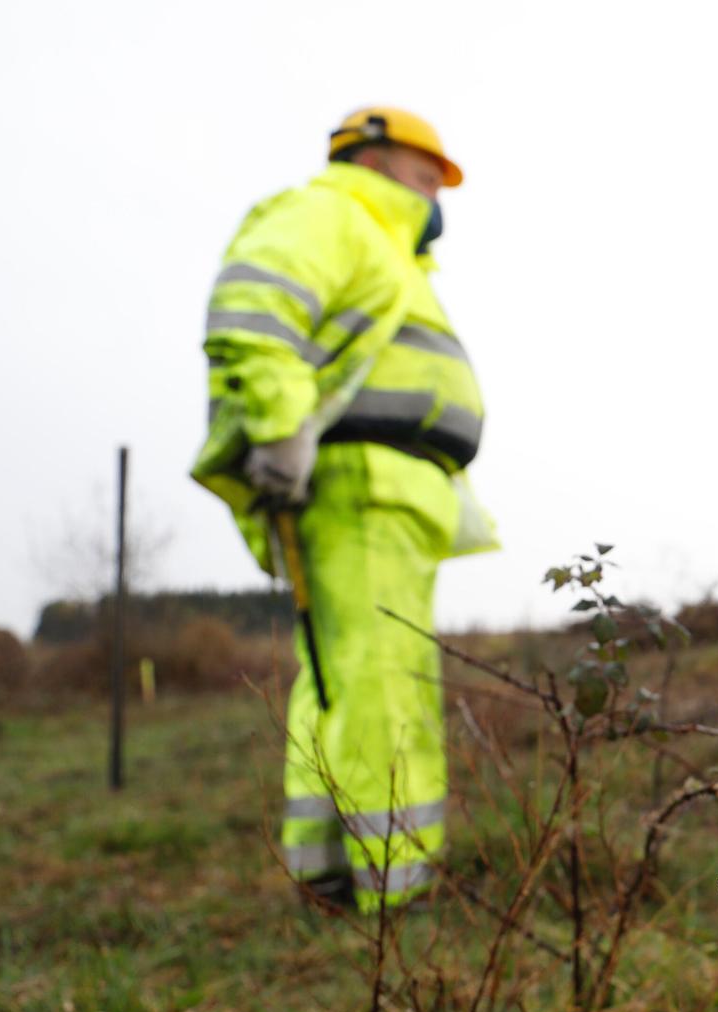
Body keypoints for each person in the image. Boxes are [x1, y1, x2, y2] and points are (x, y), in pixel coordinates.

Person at [191, 107, 496, 913]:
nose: (437, 193)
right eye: (426, 174)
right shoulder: (333, 213)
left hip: (395, 493)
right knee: (379, 683)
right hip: (360, 486)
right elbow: (253, 313)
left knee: (343, 678)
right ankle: (398, 885)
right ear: (372, 160)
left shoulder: (390, 250)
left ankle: (325, 868)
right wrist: (282, 430)